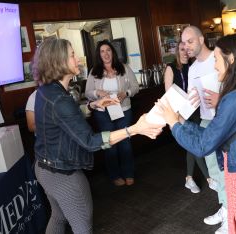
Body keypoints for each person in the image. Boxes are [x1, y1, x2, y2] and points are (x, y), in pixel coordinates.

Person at [33, 38, 163, 234]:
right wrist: (135, 129)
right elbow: (91, 142)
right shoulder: (60, 99)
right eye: (72, 55)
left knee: (58, 217)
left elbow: (62, 119)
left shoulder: (46, 91)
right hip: (62, 174)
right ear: (59, 61)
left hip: (43, 168)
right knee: (83, 228)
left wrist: (92, 105)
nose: (78, 60)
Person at [157, 33, 236, 234]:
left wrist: (174, 125)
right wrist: (180, 121)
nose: (215, 65)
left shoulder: (235, 98)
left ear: (231, 59)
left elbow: (203, 145)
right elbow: (212, 134)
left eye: (216, 59)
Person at [181, 25, 227, 233]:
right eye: (183, 42)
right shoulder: (192, 69)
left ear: (201, 40)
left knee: (227, 169)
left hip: (225, 120)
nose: (186, 46)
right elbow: (192, 99)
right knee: (214, 171)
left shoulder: (218, 58)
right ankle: (225, 207)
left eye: (190, 41)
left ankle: (230, 213)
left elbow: (235, 90)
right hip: (206, 121)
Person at [164, 41, 216, 194]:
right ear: (177, 51)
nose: (185, 52)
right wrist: (174, 114)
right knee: (193, 142)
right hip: (180, 111)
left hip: (195, 109)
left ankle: (189, 178)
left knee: (192, 142)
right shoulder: (171, 68)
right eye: (182, 49)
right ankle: (208, 178)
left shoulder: (192, 67)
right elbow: (168, 94)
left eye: (187, 49)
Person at [85, 40, 140, 186]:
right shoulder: (94, 71)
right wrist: (98, 92)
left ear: (112, 52)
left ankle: (128, 173)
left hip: (124, 111)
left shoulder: (123, 67)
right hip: (103, 113)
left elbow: (135, 86)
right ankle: (115, 175)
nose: (106, 54)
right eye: (102, 51)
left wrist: (126, 93)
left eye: (108, 50)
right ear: (99, 54)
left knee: (125, 143)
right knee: (109, 144)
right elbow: (87, 92)